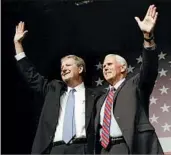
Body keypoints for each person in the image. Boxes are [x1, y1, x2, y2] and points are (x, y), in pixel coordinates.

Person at [14, 21, 100, 154]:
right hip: (55, 149)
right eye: (62, 67)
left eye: (68, 65)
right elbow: (31, 76)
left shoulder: (96, 95)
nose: (63, 69)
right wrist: (18, 45)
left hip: (82, 149)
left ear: (80, 68)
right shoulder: (53, 89)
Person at [94, 4, 164, 154]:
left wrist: (148, 37)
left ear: (123, 68)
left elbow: (149, 68)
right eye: (104, 66)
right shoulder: (101, 100)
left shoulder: (135, 85)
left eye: (110, 64)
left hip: (131, 148)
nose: (105, 68)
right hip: (106, 150)